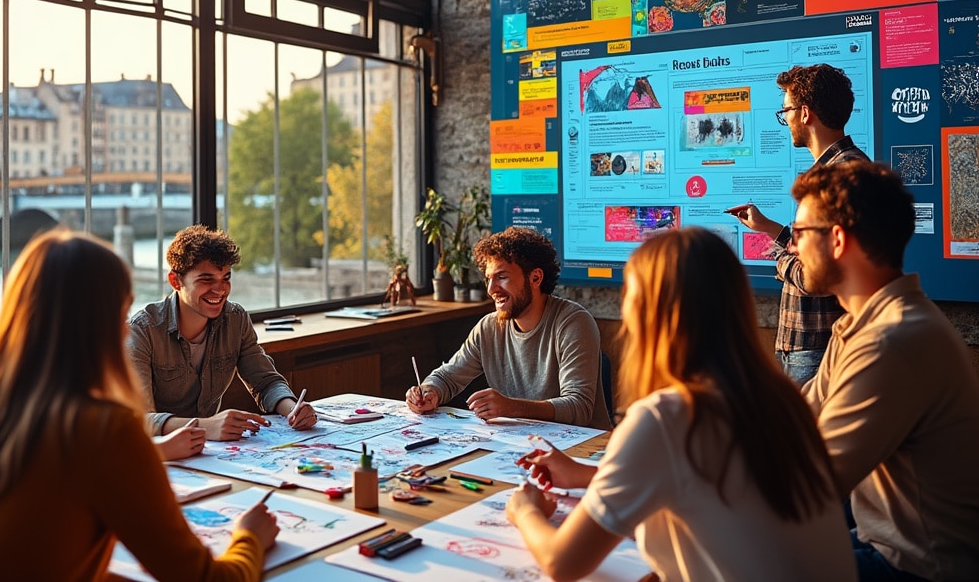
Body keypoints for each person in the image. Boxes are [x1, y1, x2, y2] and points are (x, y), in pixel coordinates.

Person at [0, 230, 278, 581]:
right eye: (120, 312)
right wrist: (249, 537)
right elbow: (203, 579)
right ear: (102, 320)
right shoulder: (101, 428)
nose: (127, 329)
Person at [504, 227, 853, 582]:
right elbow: (709, 492)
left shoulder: (666, 416)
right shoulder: (778, 397)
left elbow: (563, 563)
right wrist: (587, 476)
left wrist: (525, 511)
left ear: (646, 314)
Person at [792, 160, 979, 581]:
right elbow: (796, 420)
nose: (793, 246)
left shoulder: (892, 340)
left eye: (801, 233)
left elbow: (810, 484)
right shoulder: (860, 324)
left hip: (916, 566)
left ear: (837, 239)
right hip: (877, 541)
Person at [726, 63, 868, 385]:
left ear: (805, 114)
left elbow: (816, 275)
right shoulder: (840, 168)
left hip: (818, 348)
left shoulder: (837, 177)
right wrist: (772, 230)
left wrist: (777, 254)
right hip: (804, 345)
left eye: (786, 109)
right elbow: (820, 252)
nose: (784, 118)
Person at [407, 226, 611, 429]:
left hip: (582, 450)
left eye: (502, 277)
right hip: (522, 445)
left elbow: (579, 408)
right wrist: (429, 391)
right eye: (489, 278)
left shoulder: (573, 322)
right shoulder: (489, 327)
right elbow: (447, 377)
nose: (491, 289)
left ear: (535, 278)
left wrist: (511, 407)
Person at [128, 225, 316, 445]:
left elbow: (265, 382)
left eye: (225, 278)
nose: (220, 290)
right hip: (158, 456)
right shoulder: (142, 330)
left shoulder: (235, 319)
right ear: (175, 281)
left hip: (210, 452)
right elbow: (137, 420)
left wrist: (292, 409)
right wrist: (206, 426)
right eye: (206, 280)